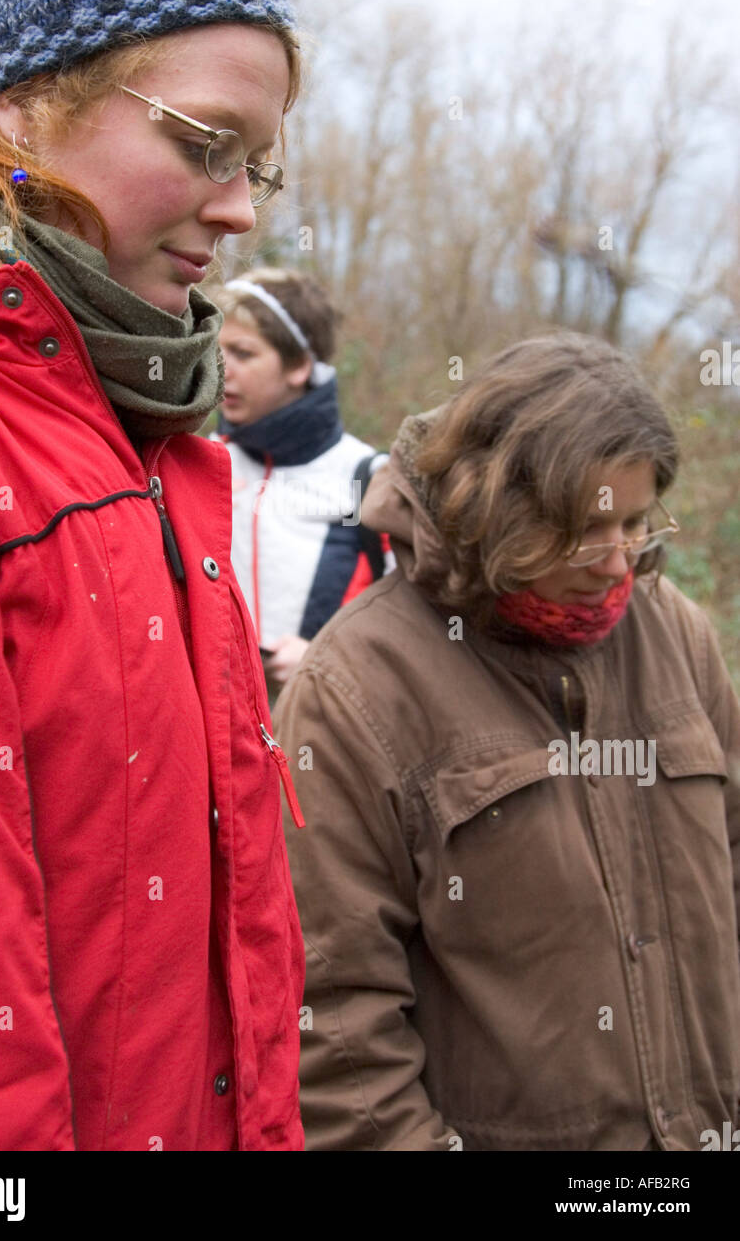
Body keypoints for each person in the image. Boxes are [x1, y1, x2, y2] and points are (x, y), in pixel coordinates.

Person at [0, 0, 306, 1152]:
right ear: (17, 112)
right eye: (203, 141)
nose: (238, 211)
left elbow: (236, 940)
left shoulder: (159, 449)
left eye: (258, 167)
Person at [274, 332, 740, 1151]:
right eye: (582, 529)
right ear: (496, 505)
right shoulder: (358, 687)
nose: (616, 560)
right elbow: (336, 1020)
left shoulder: (678, 636)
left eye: (635, 521)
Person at [211, 268, 391, 706]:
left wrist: (327, 662)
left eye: (243, 353)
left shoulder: (371, 480)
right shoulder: (197, 462)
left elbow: (418, 632)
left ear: (299, 366)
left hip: (321, 741)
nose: (221, 368)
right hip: (210, 740)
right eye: (217, 350)